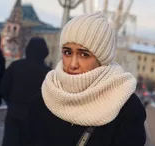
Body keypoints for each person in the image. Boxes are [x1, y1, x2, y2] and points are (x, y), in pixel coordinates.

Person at [27, 12, 146, 146]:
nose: (73, 64)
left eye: (84, 54)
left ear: (102, 59)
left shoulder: (126, 109)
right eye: (68, 52)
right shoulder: (46, 96)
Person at [0, 37, 51, 146]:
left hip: (15, 113)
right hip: (37, 120)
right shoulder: (48, 74)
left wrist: (11, 103)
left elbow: (3, 88)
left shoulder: (16, 66)